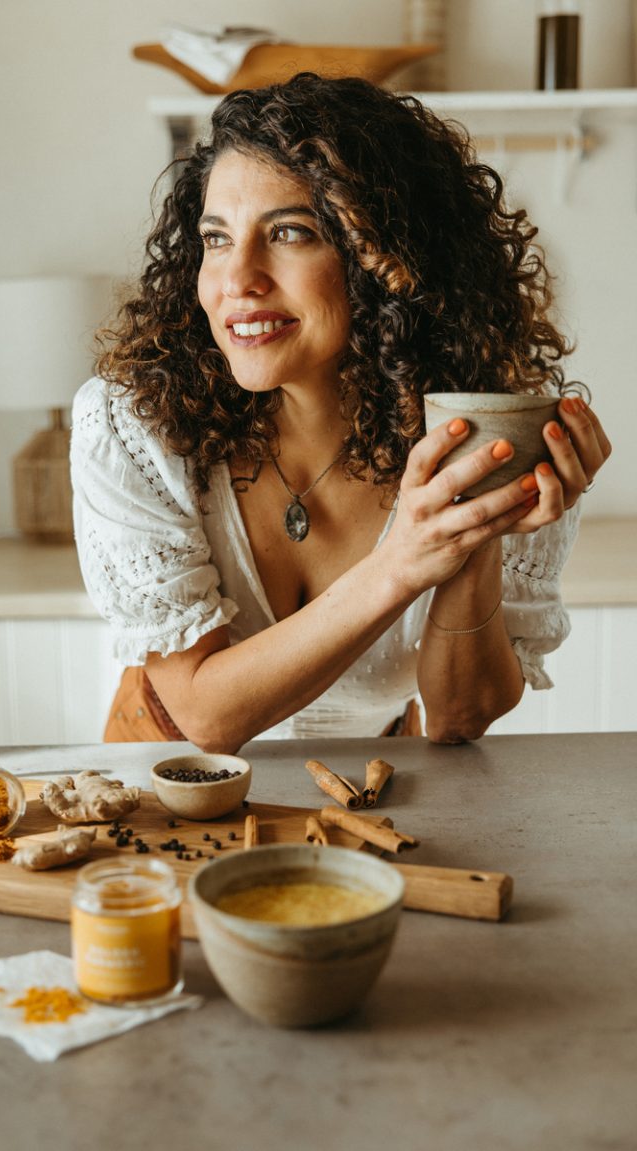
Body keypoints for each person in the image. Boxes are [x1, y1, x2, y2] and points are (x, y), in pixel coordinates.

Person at [70, 72, 610, 752]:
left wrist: (476, 528)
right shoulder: (135, 424)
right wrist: (403, 562)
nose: (237, 280)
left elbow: (457, 719)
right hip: (171, 802)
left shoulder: (487, 431)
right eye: (215, 238)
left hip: (371, 805)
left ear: (389, 261)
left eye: (290, 233)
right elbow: (204, 716)